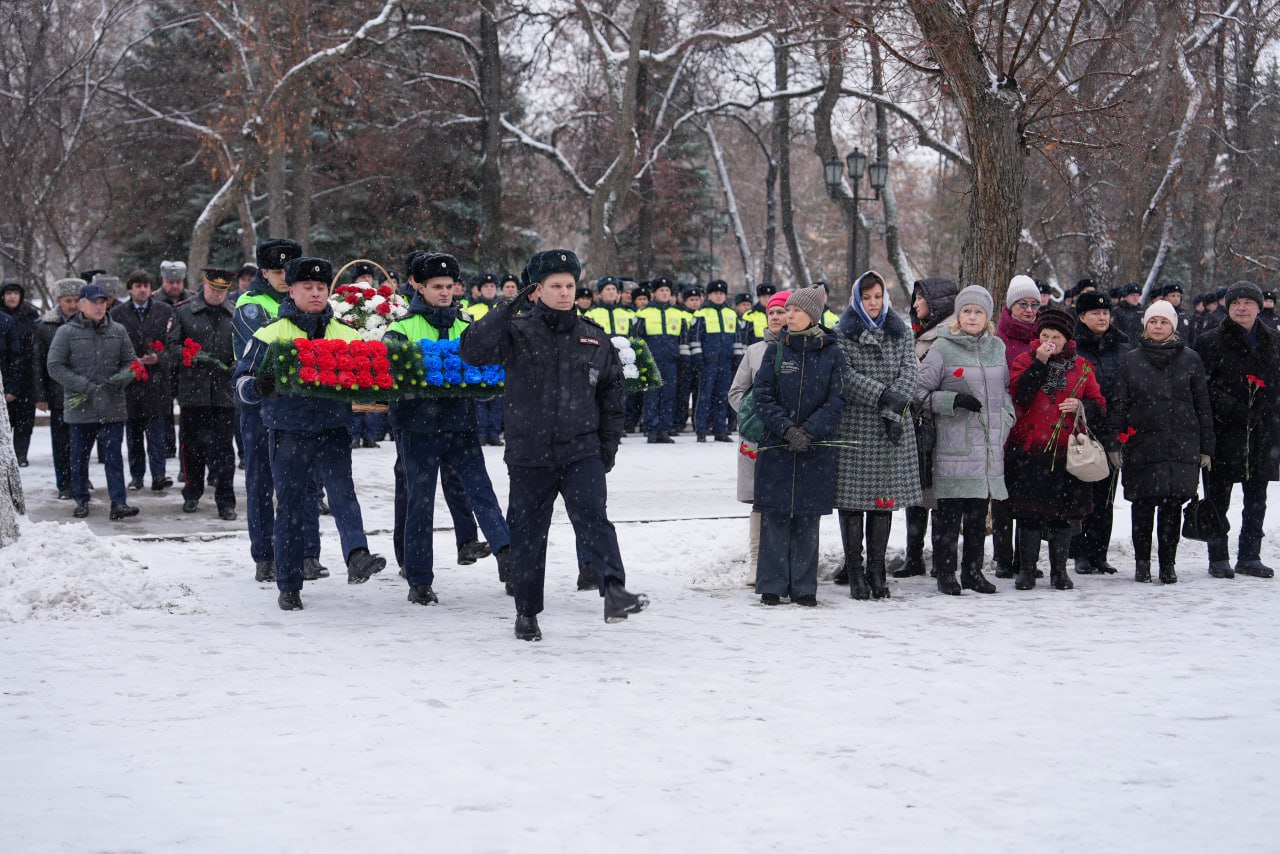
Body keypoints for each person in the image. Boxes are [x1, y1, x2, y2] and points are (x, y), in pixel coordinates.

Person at [460, 249, 648, 641]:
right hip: (531, 455)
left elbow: (613, 394)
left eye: (569, 285)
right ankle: (527, 612)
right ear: (537, 290)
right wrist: (507, 307)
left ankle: (614, 589)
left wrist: (607, 445)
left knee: (595, 520)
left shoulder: (593, 336)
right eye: (555, 286)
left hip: (581, 451)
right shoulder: (518, 331)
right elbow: (472, 351)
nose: (564, 293)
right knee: (529, 535)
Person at [234, 256, 386, 610]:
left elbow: (368, 379)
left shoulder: (346, 333)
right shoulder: (270, 333)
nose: (316, 294)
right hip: (288, 432)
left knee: (343, 493)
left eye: (321, 288)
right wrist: (259, 385)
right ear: (292, 289)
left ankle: (357, 555)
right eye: (308, 288)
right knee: (290, 505)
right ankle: (289, 583)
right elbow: (240, 383)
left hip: (333, 429)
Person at [385, 252, 512, 606]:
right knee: (420, 504)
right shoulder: (401, 328)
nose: (445, 293)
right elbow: (394, 377)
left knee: (482, 492)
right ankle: (420, 578)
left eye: (449, 286)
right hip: (417, 429)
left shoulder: (466, 325)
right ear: (419, 287)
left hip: (459, 425)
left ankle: (508, 558)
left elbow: (486, 367)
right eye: (437, 287)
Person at [233, 238, 328, 584]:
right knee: (261, 481)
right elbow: (275, 352)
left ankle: (307, 554)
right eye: (277, 272)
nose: (285, 278)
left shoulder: (305, 300)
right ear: (263, 272)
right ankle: (265, 554)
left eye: (290, 272)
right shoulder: (251, 305)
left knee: (305, 483)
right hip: (260, 405)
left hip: (299, 406)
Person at [750, 285, 846, 606]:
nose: (788, 315)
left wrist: (809, 431)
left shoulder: (832, 352)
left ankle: (805, 586)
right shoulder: (776, 350)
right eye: (786, 310)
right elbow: (761, 396)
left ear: (812, 316)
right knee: (776, 516)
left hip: (815, 449)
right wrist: (788, 429)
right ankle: (772, 585)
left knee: (807, 518)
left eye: (795, 310)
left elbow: (837, 400)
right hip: (778, 446)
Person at [1108, 300, 1213, 584]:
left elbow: (1202, 405)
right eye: (1153, 321)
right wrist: (1115, 443)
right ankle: (1142, 564)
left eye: (1164, 322)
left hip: (1179, 445)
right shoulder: (1131, 360)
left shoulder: (1190, 359)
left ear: (1173, 327)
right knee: (1141, 507)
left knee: (1171, 508)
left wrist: (1206, 448)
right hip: (1140, 444)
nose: (1158, 326)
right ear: (1145, 325)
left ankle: (1168, 564)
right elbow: (1119, 403)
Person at [915, 286, 1011, 595]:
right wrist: (952, 401)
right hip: (953, 445)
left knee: (977, 516)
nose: (972, 316)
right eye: (967, 311)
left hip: (988, 448)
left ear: (987, 316)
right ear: (958, 315)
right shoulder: (943, 348)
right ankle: (946, 573)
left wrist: (1005, 422)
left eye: (978, 311)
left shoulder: (997, 347)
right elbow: (918, 393)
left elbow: (1005, 393)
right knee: (948, 516)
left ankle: (973, 572)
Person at [832, 271, 921, 600]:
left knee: (884, 502)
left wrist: (893, 407)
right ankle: (855, 570)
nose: (872, 303)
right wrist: (883, 396)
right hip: (857, 425)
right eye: (867, 297)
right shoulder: (842, 333)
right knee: (853, 503)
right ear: (857, 299)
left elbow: (911, 370)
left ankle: (877, 570)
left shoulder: (901, 331)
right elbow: (846, 376)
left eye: (877, 297)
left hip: (892, 425)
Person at [1005, 308, 1106, 591]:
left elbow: (1100, 404)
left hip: (1065, 451)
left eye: (1056, 336)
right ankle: (1026, 569)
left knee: (1063, 516)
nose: (1049, 340)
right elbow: (1020, 394)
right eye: (1044, 335)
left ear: (1066, 339)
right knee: (1029, 514)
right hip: (1031, 449)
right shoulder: (1024, 360)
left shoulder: (1082, 367)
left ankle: (1059, 571)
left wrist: (1082, 407)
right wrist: (1040, 362)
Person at [1195, 281, 1280, 579]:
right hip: (1223, 431)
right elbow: (1201, 385)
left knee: (1257, 499)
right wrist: (1231, 406)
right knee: (1218, 496)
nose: (1241, 308)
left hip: (1262, 433)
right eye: (1235, 303)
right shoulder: (1210, 341)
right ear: (1227, 307)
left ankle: (1250, 555)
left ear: (1259, 306)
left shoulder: (1273, 340)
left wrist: (1266, 404)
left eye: (1248, 302)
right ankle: (1218, 556)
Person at [45, 282, 140, 520]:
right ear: (81, 304)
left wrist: (118, 381)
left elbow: (132, 363)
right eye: (94, 303)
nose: (100, 307)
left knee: (114, 457)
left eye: (102, 302)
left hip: (112, 405)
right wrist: (85, 386)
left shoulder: (118, 330)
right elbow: (55, 366)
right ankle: (81, 499)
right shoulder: (66, 332)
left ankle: (118, 503)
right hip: (81, 407)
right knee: (78, 457)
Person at [894, 276, 958, 581]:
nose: (915, 304)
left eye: (921, 298)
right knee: (918, 491)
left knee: (940, 495)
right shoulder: (916, 334)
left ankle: (940, 559)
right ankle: (914, 555)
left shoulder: (947, 337)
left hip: (942, 424)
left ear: (937, 304)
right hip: (918, 425)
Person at [728, 291, 789, 587]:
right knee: (760, 502)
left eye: (781, 312)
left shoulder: (799, 349)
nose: (775, 317)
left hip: (789, 437)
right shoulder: (754, 351)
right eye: (772, 313)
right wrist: (755, 416)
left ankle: (787, 561)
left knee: (788, 502)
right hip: (758, 438)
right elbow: (736, 393)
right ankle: (756, 562)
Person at [168, 268, 238, 521]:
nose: (217, 294)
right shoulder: (184, 312)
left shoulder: (235, 314)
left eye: (222, 290)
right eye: (213, 289)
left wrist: (236, 364)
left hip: (223, 394)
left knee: (224, 451)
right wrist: (188, 356)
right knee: (192, 448)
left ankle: (226, 501)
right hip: (194, 391)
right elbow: (171, 346)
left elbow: (244, 347)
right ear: (203, 286)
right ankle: (192, 492)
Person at [1070, 290, 1132, 574]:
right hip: (1082, 431)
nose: (1102, 317)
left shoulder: (1122, 347)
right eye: (1095, 313)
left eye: (1106, 312)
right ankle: (1079, 552)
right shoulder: (1073, 347)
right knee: (1081, 494)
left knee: (1106, 496)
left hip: (1113, 431)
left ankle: (1099, 552)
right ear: (1082, 316)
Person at [992, 274, 1040, 579]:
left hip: (1034, 427)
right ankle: (1002, 557)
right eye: (1023, 304)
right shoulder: (998, 339)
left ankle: (1026, 557)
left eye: (1034, 304)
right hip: (1004, 425)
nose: (1029, 310)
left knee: (1029, 495)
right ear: (1011, 306)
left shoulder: (1042, 339)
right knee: (1002, 496)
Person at [110, 270, 174, 493]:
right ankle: (137, 476)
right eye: (137, 285)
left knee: (157, 433)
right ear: (130, 289)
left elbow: (173, 344)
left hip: (157, 383)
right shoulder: (118, 313)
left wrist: (159, 358)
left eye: (146, 285)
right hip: (131, 384)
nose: (142, 289)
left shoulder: (165, 311)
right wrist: (130, 361)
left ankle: (159, 475)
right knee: (134, 433)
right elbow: (114, 346)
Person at [34, 278, 84, 498]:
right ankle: (64, 482)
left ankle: (81, 479)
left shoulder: (89, 322)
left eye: (76, 300)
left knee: (82, 440)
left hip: (84, 392)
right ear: (58, 301)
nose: (72, 305)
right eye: (68, 300)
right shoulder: (46, 327)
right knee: (62, 441)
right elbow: (38, 363)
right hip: (58, 393)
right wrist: (41, 395)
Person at [634, 277, 686, 443]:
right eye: (661, 290)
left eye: (667, 290)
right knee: (652, 396)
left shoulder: (678, 314)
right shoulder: (643, 313)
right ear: (653, 293)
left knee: (668, 396)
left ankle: (664, 429)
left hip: (671, 361)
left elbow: (683, 339)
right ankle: (651, 429)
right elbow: (636, 338)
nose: (664, 293)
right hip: (651, 361)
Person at [691, 279, 738, 442]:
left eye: (721, 293)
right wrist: (698, 358)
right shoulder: (701, 313)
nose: (719, 296)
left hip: (725, 362)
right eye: (715, 293)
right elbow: (695, 338)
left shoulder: (731, 314)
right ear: (709, 295)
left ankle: (720, 430)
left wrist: (737, 358)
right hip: (708, 362)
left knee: (723, 397)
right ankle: (701, 430)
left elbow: (737, 338)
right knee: (705, 396)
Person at [1, 279, 39, 466]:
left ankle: (21, 454)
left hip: (27, 376)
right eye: (8, 293)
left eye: (16, 293)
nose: (12, 296)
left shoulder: (30, 316)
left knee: (24, 421)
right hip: (4, 374)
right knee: (5, 421)